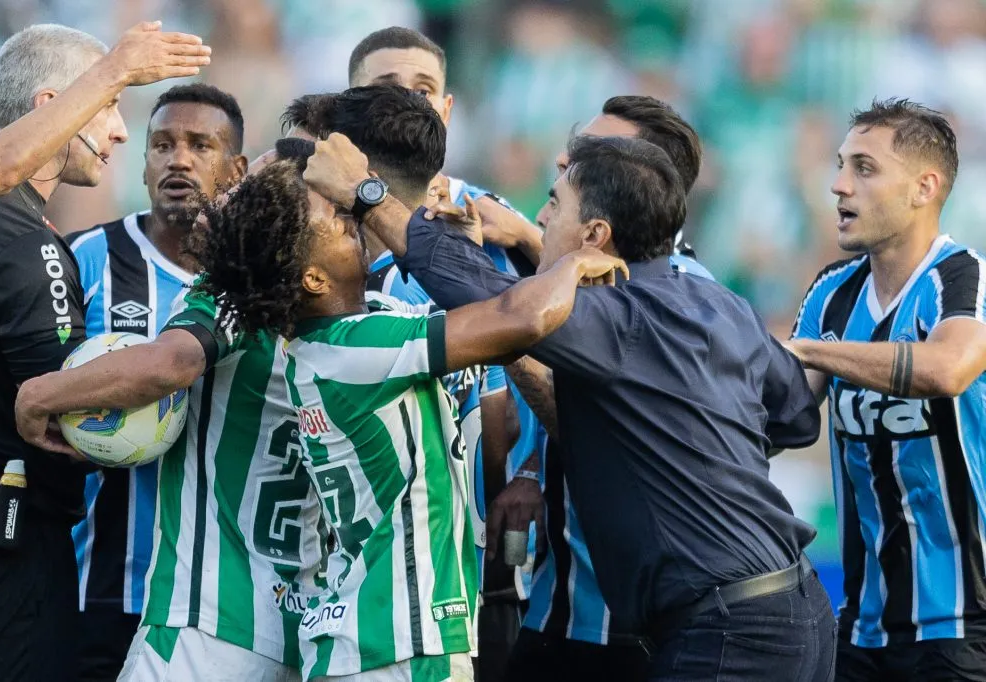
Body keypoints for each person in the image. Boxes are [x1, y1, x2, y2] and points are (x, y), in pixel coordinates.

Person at [302, 130, 836, 681]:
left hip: (730, 632)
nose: (540, 217)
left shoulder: (617, 319)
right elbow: (795, 415)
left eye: (555, 204)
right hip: (793, 606)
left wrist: (365, 193)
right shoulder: (717, 301)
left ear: (594, 235)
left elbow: (498, 305)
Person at [185, 149, 626, 681]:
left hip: (378, 638)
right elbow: (521, 318)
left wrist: (458, 249)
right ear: (313, 280)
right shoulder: (355, 349)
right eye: (337, 223)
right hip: (395, 641)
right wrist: (572, 263)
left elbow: (466, 313)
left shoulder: (364, 327)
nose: (353, 221)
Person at [15, 145, 323, 681]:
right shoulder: (378, 320)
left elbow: (169, 363)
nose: (229, 195)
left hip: (207, 624)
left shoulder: (230, 302)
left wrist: (40, 396)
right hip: (306, 625)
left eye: (248, 189)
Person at [0, 22, 207, 681]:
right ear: (53, 108)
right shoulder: (26, 244)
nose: (121, 132)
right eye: (109, 108)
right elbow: (69, 413)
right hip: (7, 552)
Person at [346, 31, 542, 679]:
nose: (406, 99)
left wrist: (534, 471)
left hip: (481, 568)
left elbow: (588, 345)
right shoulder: (310, 224)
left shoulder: (487, 221)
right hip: (349, 569)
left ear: (448, 110)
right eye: (385, 88)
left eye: (423, 89)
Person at [505, 94, 711, 681]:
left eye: (591, 152)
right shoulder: (577, 276)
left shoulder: (683, 296)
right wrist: (528, 472)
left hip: (628, 622)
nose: (564, 160)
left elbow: (616, 428)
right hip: (558, 602)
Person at [786, 99, 986, 682]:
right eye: (841, 165)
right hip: (860, 625)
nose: (839, 185)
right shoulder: (831, 292)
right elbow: (783, 420)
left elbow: (948, 369)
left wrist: (805, 350)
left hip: (965, 624)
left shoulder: (963, 278)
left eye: (864, 169)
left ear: (925, 187)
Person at [64, 83, 247, 681]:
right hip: (98, 589)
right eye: (162, 144)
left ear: (237, 169)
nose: (179, 159)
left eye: (201, 145)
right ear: (143, 164)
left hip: (219, 604)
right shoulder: (86, 259)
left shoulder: (261, 283)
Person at [0, 20, 209, 222]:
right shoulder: (8, 242)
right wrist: (117, 69)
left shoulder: (25, 237)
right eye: (107, 105)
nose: (122, 133)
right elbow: (1, 166)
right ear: (47, 105)